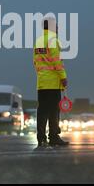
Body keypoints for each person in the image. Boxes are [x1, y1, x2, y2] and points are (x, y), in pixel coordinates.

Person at [33, 17, 69, 147]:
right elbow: (56, 61)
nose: (58, 28)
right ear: (52, 27)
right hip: (53, 82)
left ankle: (41, 138)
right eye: (57, 26)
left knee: (42, 111)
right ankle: (53, 137)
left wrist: (42, 74)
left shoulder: (38, 41)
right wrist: (63, 77)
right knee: (54, 110)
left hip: (42, 82)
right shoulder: (53, 40)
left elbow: (35, 62)